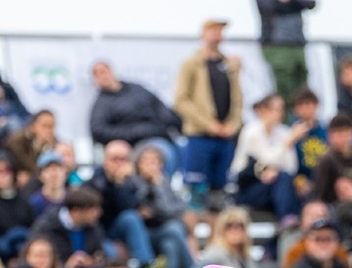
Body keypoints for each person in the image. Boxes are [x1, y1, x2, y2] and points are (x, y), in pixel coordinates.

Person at [175, 19, 243, 202]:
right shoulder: (191, 63)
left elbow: (237, 100)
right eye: (212, 29)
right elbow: (180, 100)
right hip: (199, 136)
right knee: (196, 194)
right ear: (203, 33)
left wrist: (232, 125)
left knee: (219, 195)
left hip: (224, 137)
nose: (217, 34)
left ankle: (216, 231)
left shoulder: (229, 64)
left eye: (220, 30)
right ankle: (193, 231)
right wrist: (208, 124)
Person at [88, 60, 181, 172]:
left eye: (103, 71)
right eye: (97, 74)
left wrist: (174, 124)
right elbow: (98, 131)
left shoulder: (137, 89)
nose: (103, 76)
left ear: (111, 71)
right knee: (160, 154)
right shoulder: (101, 105)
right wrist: (134, 132)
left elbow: (160, 108)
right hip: (133, 145)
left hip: (159, 134)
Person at [255, 0, 317, 104]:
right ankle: (285, 127)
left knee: (302, 94)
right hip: (277, 45)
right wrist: (297, 1)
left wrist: (289, 0)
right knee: (284, 92)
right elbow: (271, 4)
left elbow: (311, 3)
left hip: (297, 43)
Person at [231, 94, 304, 222]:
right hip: (250, 186)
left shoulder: (284, 132)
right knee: (283, 180)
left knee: (287, 180)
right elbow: (265, 160)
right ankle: (287, 220)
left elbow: (291, 166)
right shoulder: (251, 131)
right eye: (276, 109)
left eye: (282, 109)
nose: (280, 113)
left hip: (277, 184)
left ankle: (289, 221)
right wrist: (288, 142)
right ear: (264, 110)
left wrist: (273, 170)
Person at [28, 187, 107, 268]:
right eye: (93, 210)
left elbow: (100, 251)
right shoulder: (47, 228)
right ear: (76, 212)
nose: (98, 213)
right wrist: (65, 266)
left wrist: (94, 260)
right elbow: (35, 263)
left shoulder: (93, 226)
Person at [90, 140, 156, 268]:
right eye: (115, 159)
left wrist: (121, 184)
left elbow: (137, 209)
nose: (119, 164)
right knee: (111, 250)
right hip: (100, 234)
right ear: (105, 161)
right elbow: (99, 214)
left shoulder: (132, 181)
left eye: (124, 159)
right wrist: (117, 183)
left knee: (132, 219)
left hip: (126, 230)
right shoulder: (95, 181)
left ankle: (145, 266)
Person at [132, 144, 193, 268]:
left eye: (154, 161)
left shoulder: (163, 182)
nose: (150, 165)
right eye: (146, 161)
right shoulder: (133, 183)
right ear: (138, 163)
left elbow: (179, 208)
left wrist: (158, 185)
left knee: (170, 245)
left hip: (164, 232)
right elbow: (138, 207)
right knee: (174, 228)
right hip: (143, 236)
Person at [311, 113, 352, 206]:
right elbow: (319, 196)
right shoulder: (326, 161)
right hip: (336, 208)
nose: (337, 139)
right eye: (333, 134)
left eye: (341, 133)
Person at [4, 110, 56, 188]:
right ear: (33, 126)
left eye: (51, 126)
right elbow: (25, 164)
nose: (48, 130)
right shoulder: (17, 141)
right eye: (45, 126)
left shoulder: (55, 144)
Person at [0, 152, 35, 262]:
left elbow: (34, 228)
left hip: (25, 254)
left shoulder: (25, 200)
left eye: (6, 170)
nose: (3, 175)